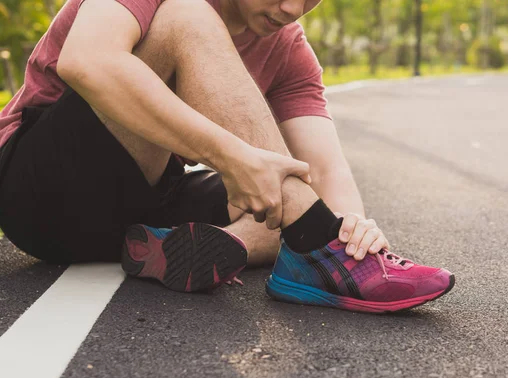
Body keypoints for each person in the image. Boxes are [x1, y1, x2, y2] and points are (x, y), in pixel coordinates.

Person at [0, 0, 454, 312]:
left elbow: (323, 169)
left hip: (134, 210)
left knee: (296, 195)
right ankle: (312, 247)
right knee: (187, 14)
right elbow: (87, 62)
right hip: (39, 194)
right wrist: (234, 157)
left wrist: (355, 232)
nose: (292, 9)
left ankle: (215, 245)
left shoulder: (290, 49)